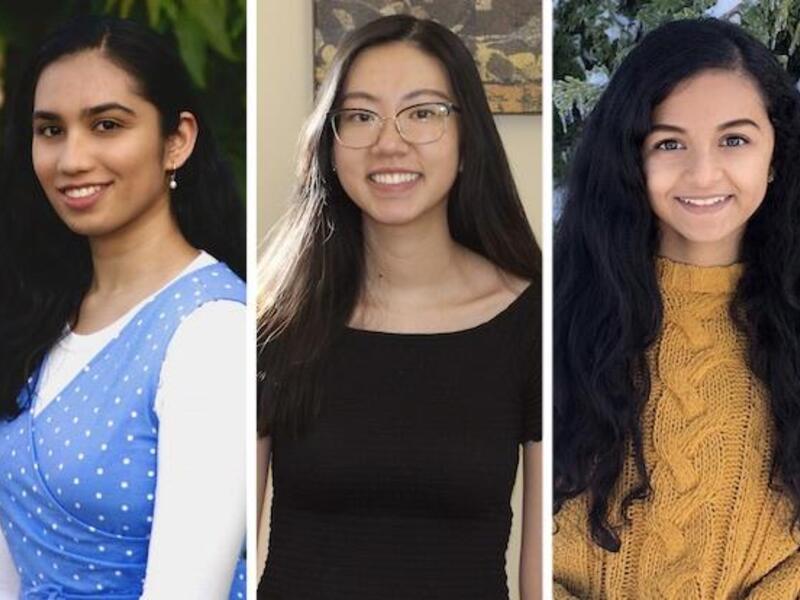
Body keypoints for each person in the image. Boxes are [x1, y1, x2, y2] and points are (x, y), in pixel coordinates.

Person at [257, 14, 542, 600]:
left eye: (423, 113)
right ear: (330, 146)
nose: (390, 142)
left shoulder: (532, 320)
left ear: (468, 141)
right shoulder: (274, 321)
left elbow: (540, 572)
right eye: (361, 116)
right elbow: (227, 541)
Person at [0, 16, 246, 599]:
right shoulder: (38, 310)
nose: (72, 159)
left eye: (106, 125)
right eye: (50, 130)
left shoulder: (212, 331)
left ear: (176, 141)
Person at [553, 18, 800, 599]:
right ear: (631, 156)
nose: (703, 173)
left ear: (775, 151)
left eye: (734, 139)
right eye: (669, 142)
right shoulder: (562, 312)